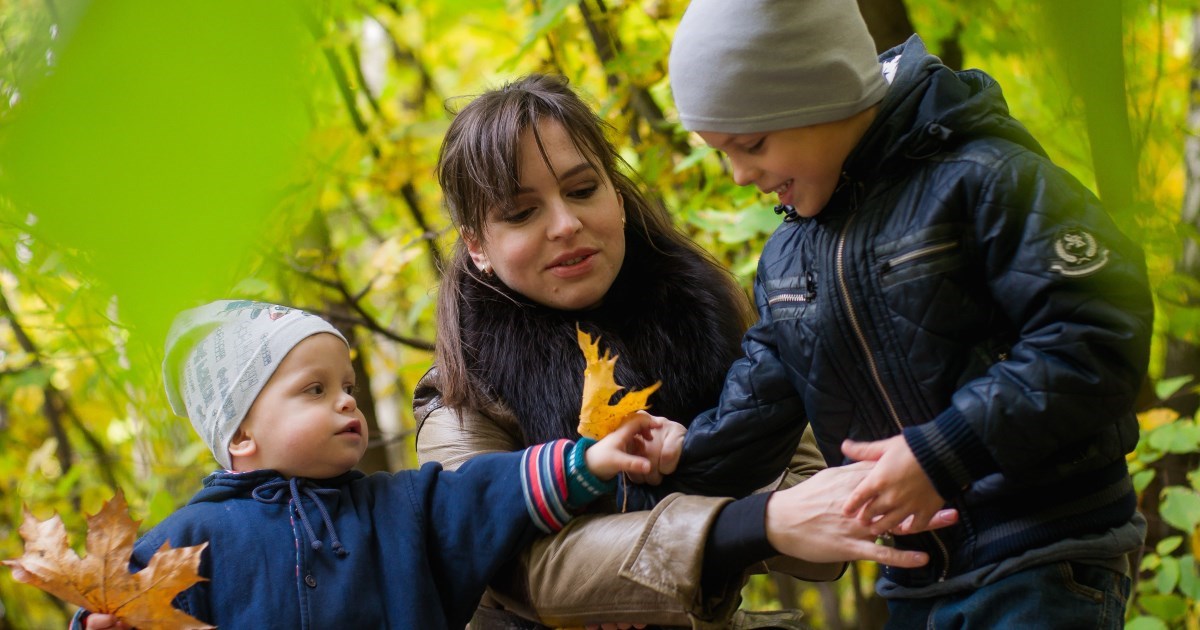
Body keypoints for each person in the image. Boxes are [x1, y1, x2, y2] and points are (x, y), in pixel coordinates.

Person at [644, 0, 1155, 627]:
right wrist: (671, 459)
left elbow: (1094, 338)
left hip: (1040, 557)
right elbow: (751, 419)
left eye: (751, 143)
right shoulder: (788, 261)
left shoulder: (984, 178)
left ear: (823, 92)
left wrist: (945, 452)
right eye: (721, 151)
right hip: (915, 580)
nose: (740, 173)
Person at [417, 73, 956, 629]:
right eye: (521, 212)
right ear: (477, 244)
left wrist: (692, 460)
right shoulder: (460, 394)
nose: (567, 224)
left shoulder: (709, 319)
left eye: (582, 191)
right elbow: (532, 572)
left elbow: (810, 488)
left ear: (618, 197)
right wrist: (758, 524)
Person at [75, 299, 668, 630]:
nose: (345, 400)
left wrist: (589, 460)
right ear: (242, 435)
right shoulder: (191, 540)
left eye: (348, 385)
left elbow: (488, 492)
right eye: (314, 390)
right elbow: (119, 605)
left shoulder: (401, 508)